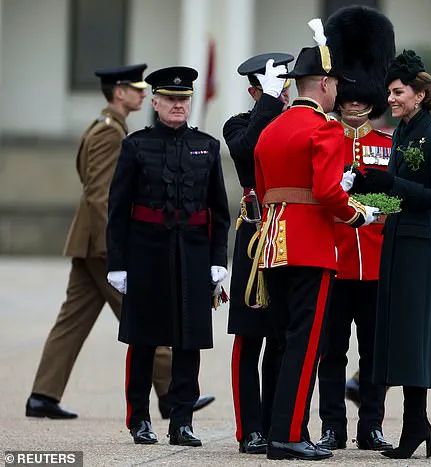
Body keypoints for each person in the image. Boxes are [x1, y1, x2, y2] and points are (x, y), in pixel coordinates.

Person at [25, 64, 216, 421]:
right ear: (118, 93)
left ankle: (43, 394)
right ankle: (173, 393)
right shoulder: (110, 134)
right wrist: (118, 250)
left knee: (73, 320)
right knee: (148, 318)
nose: (143, 95)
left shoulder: (110, 128)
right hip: (103, 245)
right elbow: (102, 195)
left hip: (90, 241)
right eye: (136, 89)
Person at [251, 20, 378, 461]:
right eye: (336, 84)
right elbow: (327, 192)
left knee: (283, 341)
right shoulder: (326, 129)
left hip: (275, 241)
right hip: (311, 245)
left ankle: (276, 430)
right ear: (323, 84)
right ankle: (288, 435)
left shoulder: (271, 129)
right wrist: (357, 213)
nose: (338, 92)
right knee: (306, 344)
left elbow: (265, 187)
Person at [106, 66, 230, 446]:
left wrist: (217, 259)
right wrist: (118, 264)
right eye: (171, 99)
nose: (179, 105)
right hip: (146, 253)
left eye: (184, 99)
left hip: (192, 254)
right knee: (144, 341)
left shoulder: (207, 147)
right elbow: (117, 209)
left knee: (188, 342)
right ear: (155, 102)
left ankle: (182, 422)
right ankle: (139, 419)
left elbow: (219, 211)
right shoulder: (135, 146)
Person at [363, 50, 431, 459]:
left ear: (419, 94)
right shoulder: (400, 133)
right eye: (390, 92)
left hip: (420, 245)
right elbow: (396, 192)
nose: (392, 99)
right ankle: (415, 421)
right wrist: (363, 187)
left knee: (414, 333)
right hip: (397, 239)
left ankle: (416, 421)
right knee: (399, 332)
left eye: (398, 92)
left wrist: (392, 184)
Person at [315, 5, 394, 453]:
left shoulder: (387, 144)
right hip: (335, 260)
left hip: (377, 263)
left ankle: (372, 427)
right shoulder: (324, 138)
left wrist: (371, 203)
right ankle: (332, 427)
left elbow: (395, 201)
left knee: (374, 355)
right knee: (331, 353)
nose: (355, 101)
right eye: (349, 94)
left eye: (362, 95)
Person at [223, 52, 293, 455]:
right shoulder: (238, 124)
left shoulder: (296, 123)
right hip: (255, 233)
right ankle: (249, 427)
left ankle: (275, 424)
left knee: (283, 337)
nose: (281, 94)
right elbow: (250, 154)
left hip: (289, 234)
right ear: (255, 91)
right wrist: (267, 105)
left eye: (284, 87)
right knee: (251, 337)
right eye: (271, 88)